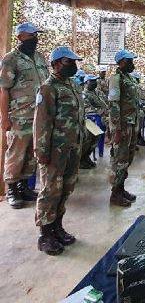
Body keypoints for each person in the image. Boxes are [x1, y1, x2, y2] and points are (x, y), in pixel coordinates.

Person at [33, 46, 84, 255]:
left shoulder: (72, 85)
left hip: (72, 147)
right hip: (54, 150)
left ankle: (57, 227)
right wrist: (41, 151)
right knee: (50, 191)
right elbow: (41, 122)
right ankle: (45, 235)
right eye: (67, 62)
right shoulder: (48, 88)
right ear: (55, 64)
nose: (72, 65)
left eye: (74, 62)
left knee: (66, 188)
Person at [0, 22, 48, 209]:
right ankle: (12, 189)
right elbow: (4, 90)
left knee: (31, 154)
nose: (35, 39)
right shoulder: (10, 59)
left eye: (36, 35)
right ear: (20, 37)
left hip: (39, 116)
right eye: (31, 35)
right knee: (16, 153)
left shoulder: (39, 57)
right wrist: (5, 118)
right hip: (19, 117)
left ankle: (24, 187)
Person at [107, 49, 140, 206]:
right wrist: (117, 129)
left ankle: (121, 188)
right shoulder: (116, 79)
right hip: (122, 126)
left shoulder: (129, 78)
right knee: (120, 159)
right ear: (121, 62)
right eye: (129, 61)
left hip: (131, 123)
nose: (132, 63)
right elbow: (114, 105)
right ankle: (115, 194)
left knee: (127, 158)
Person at [81, 74, 108, 169]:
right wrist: (101, 111)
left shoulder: (97, 92)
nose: (94, 83)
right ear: (85, 83)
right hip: (90, 119)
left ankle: (86, 157)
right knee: (91, 137)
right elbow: (87, 109)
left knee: (97, 137)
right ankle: (82, 158)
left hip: (101, 116)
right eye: (91, 81)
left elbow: (106, 103)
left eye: (95, 81)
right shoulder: (84, 94)